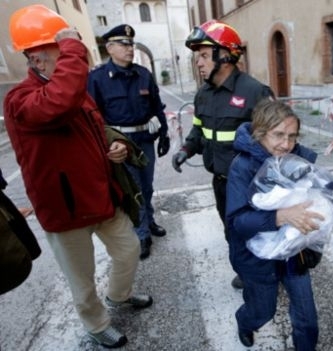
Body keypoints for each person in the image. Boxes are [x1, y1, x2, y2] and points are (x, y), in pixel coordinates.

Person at [4, 5, 153, 348]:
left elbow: (97, 130)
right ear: (38, 60)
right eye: (66, 53)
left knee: (129, 250)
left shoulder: (72, 92)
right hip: (64, 209)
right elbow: (58, 103)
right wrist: (72, 47)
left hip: (101, 195)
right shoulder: (19, 99)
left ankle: (119, 296)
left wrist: (116, 149)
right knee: (82, 279)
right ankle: (97, 323)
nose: (77, 60)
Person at [171, 20, 274, 288]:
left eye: (204, 55)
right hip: (220, 182)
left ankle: (266, 273)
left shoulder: (255, 92)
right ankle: (247, 270)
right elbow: (198, 130)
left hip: (250, 184)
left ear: (226, 55)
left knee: (256, 231)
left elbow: (277, 142)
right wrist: (186, 149)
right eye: (197, 57)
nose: (199, 63)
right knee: (232, 231)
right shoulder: (203, 95)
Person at [226, 99, 324, 350]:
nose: (286, 144)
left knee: (307, 319)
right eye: (278, 135)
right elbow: (237, 222)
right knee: (263, 312)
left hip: (294, 251)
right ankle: (245, 321)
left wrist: (330, 209)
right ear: (260, 134)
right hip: (255, 257)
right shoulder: (242, 166)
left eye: (292, 136)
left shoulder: (299, 158)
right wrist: (281, 216)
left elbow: (319, 194)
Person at [88, 24, 170, 260]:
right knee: (131, 189)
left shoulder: (143, 74)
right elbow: (94, 118)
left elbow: (157, 107)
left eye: (131, 44)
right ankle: (141, 233)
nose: (129, 48)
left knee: (147, 186)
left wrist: (164, 134)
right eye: (123, 44)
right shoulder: (97, 78)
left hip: (144, 140)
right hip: (120, 144)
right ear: (110, 48)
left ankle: (150, 221)